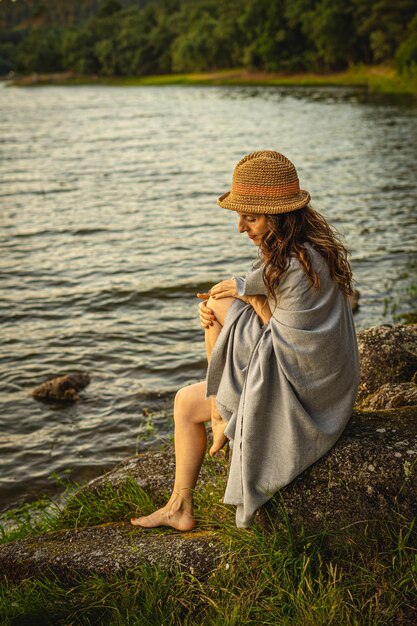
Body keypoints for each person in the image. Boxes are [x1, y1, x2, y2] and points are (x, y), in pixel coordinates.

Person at [131, 150, 360, 530]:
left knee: (187, 404)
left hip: (309, 394)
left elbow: (291, 350)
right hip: (327, 383)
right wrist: (237, 300)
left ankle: (193, 474)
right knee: (217, 304)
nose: (241, 227)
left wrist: (250, 298)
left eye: (250, 217)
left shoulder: (293, 264)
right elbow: (286, 325)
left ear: (280, 216)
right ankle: (214, 422)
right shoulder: (305, 249)